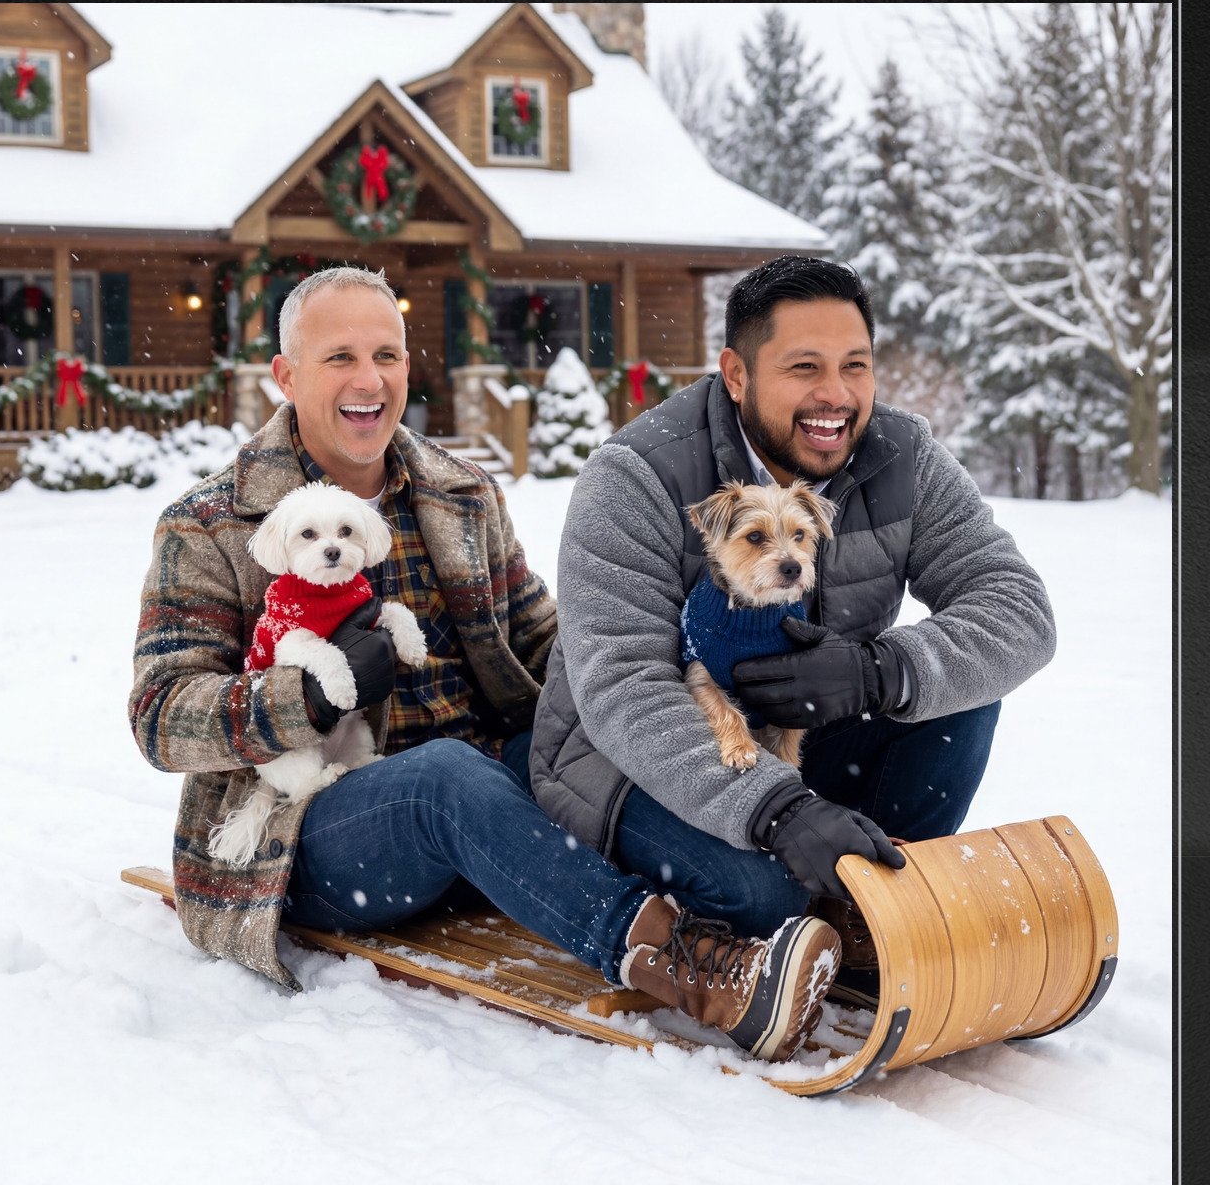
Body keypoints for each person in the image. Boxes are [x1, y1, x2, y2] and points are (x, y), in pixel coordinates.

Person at [129, 265, 847, 1062]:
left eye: (387, 356)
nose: (370, 380)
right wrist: (303, 697)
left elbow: (539, 637)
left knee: (755, 888)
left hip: (496, 780)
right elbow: (161, 714)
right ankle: (687, 968)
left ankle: (805, 918)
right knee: (444, 777)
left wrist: (643, 665)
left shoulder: (460, 491)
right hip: (318, 822)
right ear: (285, 375)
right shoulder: (211, 523)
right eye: (338, 358)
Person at [531, 256, 1057, 999]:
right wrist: (776, 809)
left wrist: (878, 671)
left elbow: (1017, 610)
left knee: (955, 686)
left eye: (856, 366)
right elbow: (620, 688)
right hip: (630, 758)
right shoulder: (636, 475)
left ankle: (869, 908)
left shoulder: (905, 459)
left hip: (804, 738)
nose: (836, 396)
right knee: (765, 899)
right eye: (804, 367)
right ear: (737, 375)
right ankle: (790, 898)